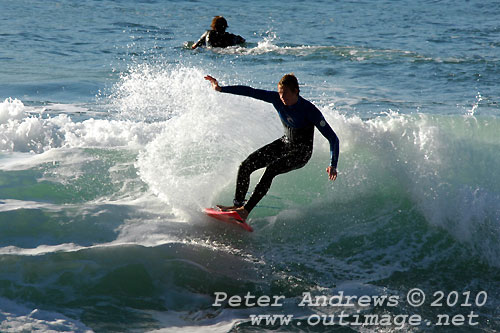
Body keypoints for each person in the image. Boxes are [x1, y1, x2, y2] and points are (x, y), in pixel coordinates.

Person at [204, 74, 339, 222]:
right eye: (280, 93)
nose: (282, 97)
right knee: (246, 165)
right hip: (286, 142)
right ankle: (237, 206)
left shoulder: (309, 110)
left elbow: (333, 139)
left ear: (295, 91)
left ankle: (245, 211)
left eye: (285, 93)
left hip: (302, 152)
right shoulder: (276, 99)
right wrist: (221, 89)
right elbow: (250, 91)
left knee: (271, 169)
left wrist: (333, 164)